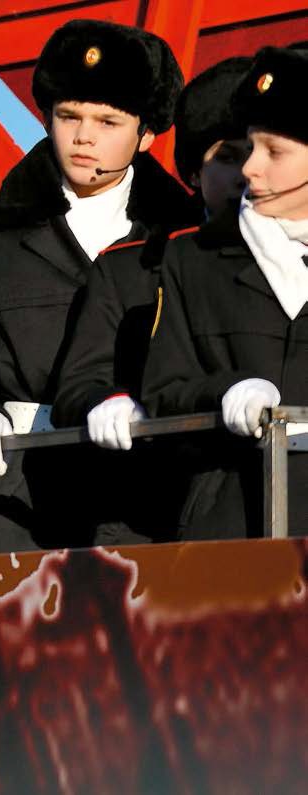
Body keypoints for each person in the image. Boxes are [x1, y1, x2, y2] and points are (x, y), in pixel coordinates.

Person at [0, 19, 196, 553]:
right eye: (69, 116)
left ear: (147, 134)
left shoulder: (188, 237)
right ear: (47, 117)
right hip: (25, 503)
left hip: (159, 503)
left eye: (107, 121)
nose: (84, 136)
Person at [52, 57, 250, 545]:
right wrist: (105, 401)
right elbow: (78, 384)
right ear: (194, 170)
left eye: (264, 152)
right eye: (229, 156)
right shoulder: (130, 268)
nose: (248, 173)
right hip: (151, 517)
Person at [142, 45, 308, 538]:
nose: (250, 169)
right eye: (250, 148)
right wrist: (227, 391)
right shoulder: (194, 259)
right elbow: (162, 391)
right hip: (229, 525)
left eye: (274, 152)